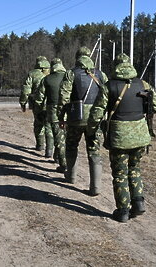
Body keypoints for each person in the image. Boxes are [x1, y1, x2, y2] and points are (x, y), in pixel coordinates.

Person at [87, 53, 156, 222]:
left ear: (115, 66)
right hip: (141, 136)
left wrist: (92, 131)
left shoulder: (109, 86)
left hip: (119, 137)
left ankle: (123, 211)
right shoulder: (143, 84)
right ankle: (139, 203)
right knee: (134, 169)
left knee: (120, 173)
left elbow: (97, 113)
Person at [57, 46, 108, 196]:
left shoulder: (71, 73)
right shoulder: (100, 74)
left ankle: (71, 177)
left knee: (71, 145)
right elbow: (107, 94)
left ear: (77, 58)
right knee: (94, 150)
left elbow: (64, 97)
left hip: (75, 118)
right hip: (95, 118)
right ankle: (95, 188)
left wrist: (62, 117)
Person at [35, 58, 67, 172]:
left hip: (53, 111)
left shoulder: (47, 79)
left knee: (58, 137)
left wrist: (39, 111)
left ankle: (63, 164)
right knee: (67, 137)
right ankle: (59, 158)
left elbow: (39, 98)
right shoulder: (70, 77)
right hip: (70, 110)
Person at [19, 56, 54, 157]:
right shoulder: (52, 73)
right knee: (49, 126)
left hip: (37, 103)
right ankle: (50, 150)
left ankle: (40, 145)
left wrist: (23, 102)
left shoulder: (32, 74)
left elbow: (26, 90)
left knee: (38, 124)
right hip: (51, 103)